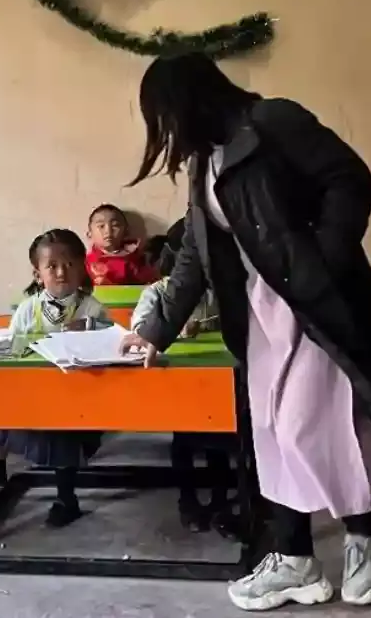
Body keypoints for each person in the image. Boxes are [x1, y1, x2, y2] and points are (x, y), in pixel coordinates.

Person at [119, 53, 371, 611]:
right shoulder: (206, 160)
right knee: (273, 435)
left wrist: (323, 260)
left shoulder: (273, 122)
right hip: (257, 312)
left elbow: (349, 178)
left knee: (308, 427)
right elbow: (196, 251)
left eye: (165, 115)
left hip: (313, 305)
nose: (165, 131)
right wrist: (156, 328)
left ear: (191, 101)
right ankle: (295, 558)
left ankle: (366, 533)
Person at [0, 229, 111, 529]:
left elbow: (110, 345)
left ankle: (66, 500)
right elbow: (11, 350)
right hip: (32, 395)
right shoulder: (29, 309)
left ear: (82, 268)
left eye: (69, 264)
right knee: (3, 427)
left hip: (77, 399)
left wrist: (92, 328)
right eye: (52, 266)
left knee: (65, 436)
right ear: (38, 274)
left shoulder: (92, 308)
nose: (61, 272)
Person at [131, 221, 230, 533]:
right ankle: (188, 500)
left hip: (212, 381)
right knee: (184, 442)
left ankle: (221, 501)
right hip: (177, 384)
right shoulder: (156, 292)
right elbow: (139, 327)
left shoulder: (214, 293)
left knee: (219, 443)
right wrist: (167, 329)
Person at [85, 203, 158, 286]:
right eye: (101, 226)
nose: (108, 231)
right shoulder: (87, 262)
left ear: (126, 232)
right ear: (89, 234)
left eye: (115, 225)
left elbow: (147, 286)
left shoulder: (134, 259)